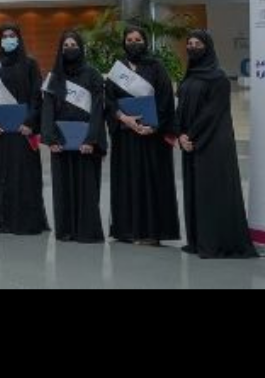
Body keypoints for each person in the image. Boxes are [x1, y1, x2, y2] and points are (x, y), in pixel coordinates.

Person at [177, 29, 257, 259]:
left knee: (212, 192)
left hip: (212, 143)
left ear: (208, 47)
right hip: (190, 143)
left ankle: (216, 243)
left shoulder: (219, 77)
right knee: (196, 192)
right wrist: (180, 134)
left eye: (197, 43)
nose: (192, 47)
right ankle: (198, 241)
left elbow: (212, 113)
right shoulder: (190, 76)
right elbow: (181, 107)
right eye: (189, 43)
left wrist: (190, 135)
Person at [106, 24, 180, 246]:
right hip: (126, 137)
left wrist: (154, 127)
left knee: (151, 184)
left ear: (145, 42)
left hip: (152, 138)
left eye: (138, 40)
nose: (134, 44)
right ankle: (127, 230)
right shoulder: (117, 69)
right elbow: (108, 101)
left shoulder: (156, 67)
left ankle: (151, 232)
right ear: (124, 43)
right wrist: (123, 118)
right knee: (128, 182)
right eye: (129, 40)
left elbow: (166, 100)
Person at [41, 30, 107, 243]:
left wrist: (91, 140)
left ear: (81, 48)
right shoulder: (54, 77)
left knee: (86, 187)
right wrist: (50, 139)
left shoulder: (93, 74)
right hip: (60, 142)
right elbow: (48, 109)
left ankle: (87, 231)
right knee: (63, 188)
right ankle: (66, 230)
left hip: (86, 143)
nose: (70, 49)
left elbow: (98, 110)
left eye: (73, 45)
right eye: (66, 45)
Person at [0, 24, 48, 235]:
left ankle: (30, 222)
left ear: (19, 38)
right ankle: (7, 222)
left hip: (24, 132)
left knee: (28, 176)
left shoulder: (30, 64)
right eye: (4, 36)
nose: (8, 39)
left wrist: (30, 123)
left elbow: (36, 97)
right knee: (6, 176)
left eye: (12, 36)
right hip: (3, 132)